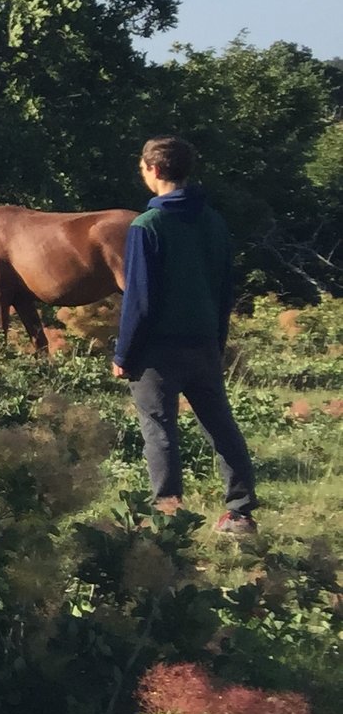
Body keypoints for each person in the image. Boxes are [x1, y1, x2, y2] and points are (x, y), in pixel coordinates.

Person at [113, 134, 256, 535]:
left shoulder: (147, 225)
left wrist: (124, 354)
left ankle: (169, 516)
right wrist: (217, 341)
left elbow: (138, 301)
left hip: (158, 352)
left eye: (142, 167)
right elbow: (225, 290)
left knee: (159, 430)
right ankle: (241, 514)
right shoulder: (213, 220)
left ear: (154, 170)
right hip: (204, 344)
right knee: (221, 425)